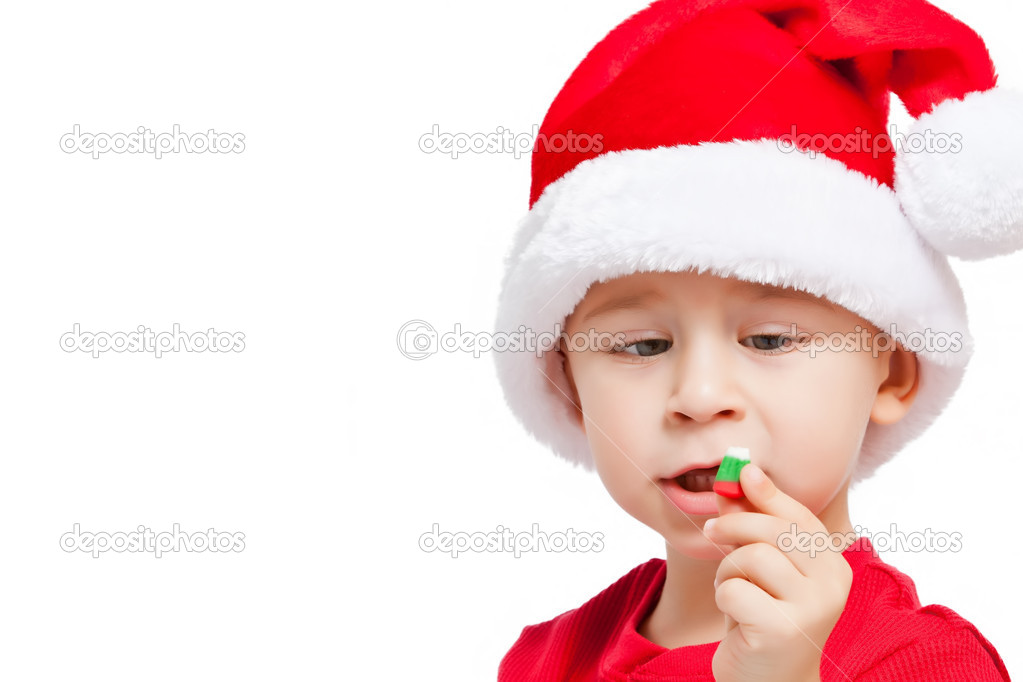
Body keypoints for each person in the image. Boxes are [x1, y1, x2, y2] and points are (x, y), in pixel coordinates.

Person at [492, 0, 1022, 679]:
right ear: (564, 383)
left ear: (890, 372)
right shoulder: (546, 659)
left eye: (769, 340)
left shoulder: (925, 663)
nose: (700, 396)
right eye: (642, 346)